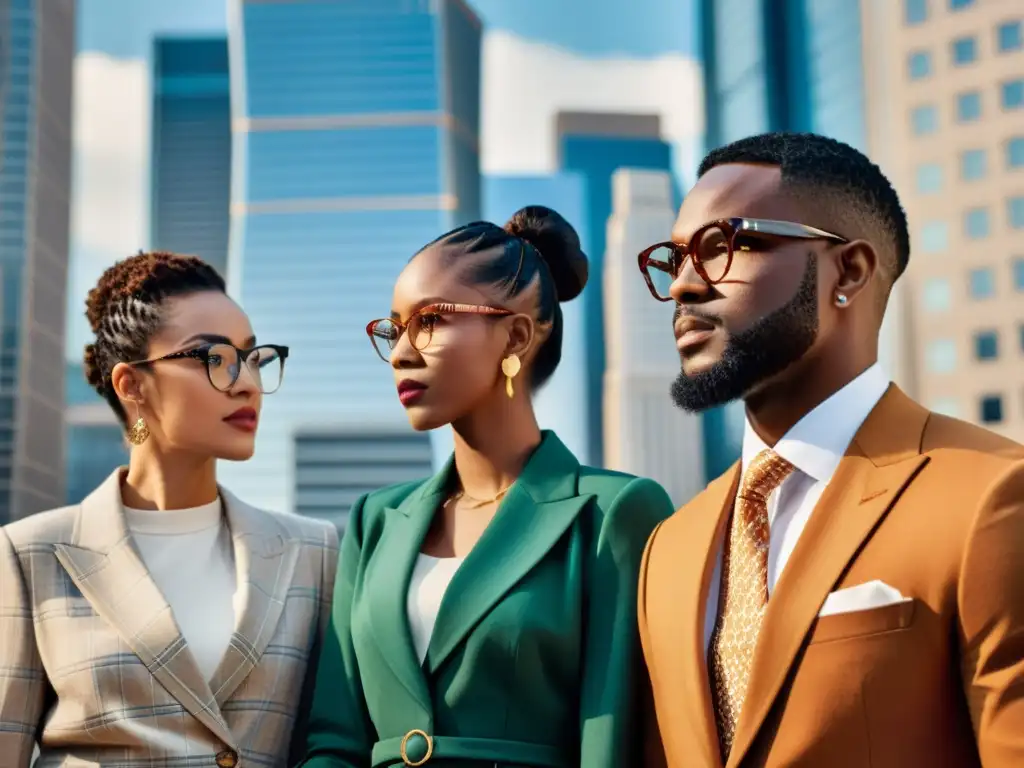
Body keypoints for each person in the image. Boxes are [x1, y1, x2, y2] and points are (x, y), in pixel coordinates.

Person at [635, 131, 1024, 767]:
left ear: (849, 270)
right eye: (673, 258)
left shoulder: (993, 496)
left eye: (722, 247)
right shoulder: (667, 548)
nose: (682, 286)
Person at [299, 206, 674, 768]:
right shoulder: (375, 521)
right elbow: (333, 737)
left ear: (516, 337)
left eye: (430, 321)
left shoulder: (614, 513)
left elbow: (613, 738)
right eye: (395, 328)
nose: (401, 352)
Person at [0, 252, 339, 767]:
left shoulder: (314, 551)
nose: (246, 381)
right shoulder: (30, 554)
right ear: (131, 385)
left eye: (253, 358)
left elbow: (330, 740)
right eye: (213, 358)